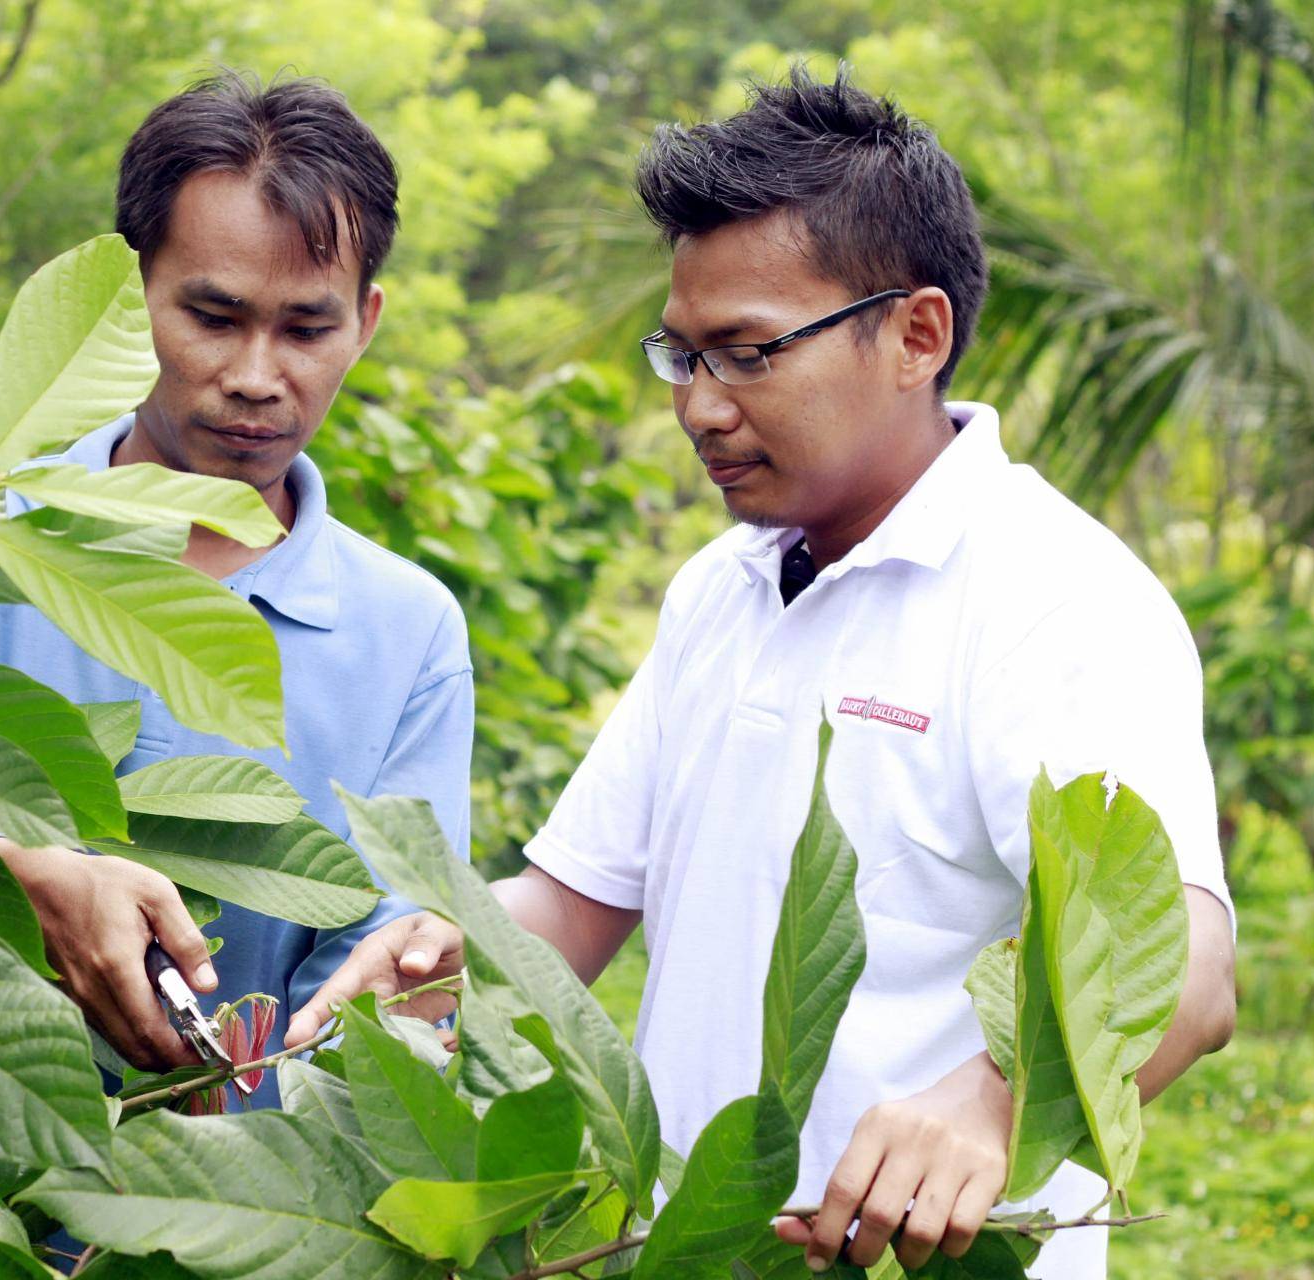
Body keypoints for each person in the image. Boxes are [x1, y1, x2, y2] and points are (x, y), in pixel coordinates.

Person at [287, 67, 1236, 1280]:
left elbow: (1193, 976)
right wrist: (451, 948)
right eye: (680, 356)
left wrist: (990, 1110)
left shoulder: (1054, 601)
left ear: (917, 332)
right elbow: (576, 903)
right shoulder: (722, 587)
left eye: (745, 353)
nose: (699, 406)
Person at [0, 70, 474, 1211]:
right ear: (134, 290)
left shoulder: (409, 629)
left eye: (306, 327)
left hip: (222, 1214)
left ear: (366, 320)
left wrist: (411, 985)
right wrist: (22, 871)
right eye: (213, 314)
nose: (255, 376)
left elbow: (390, 926)